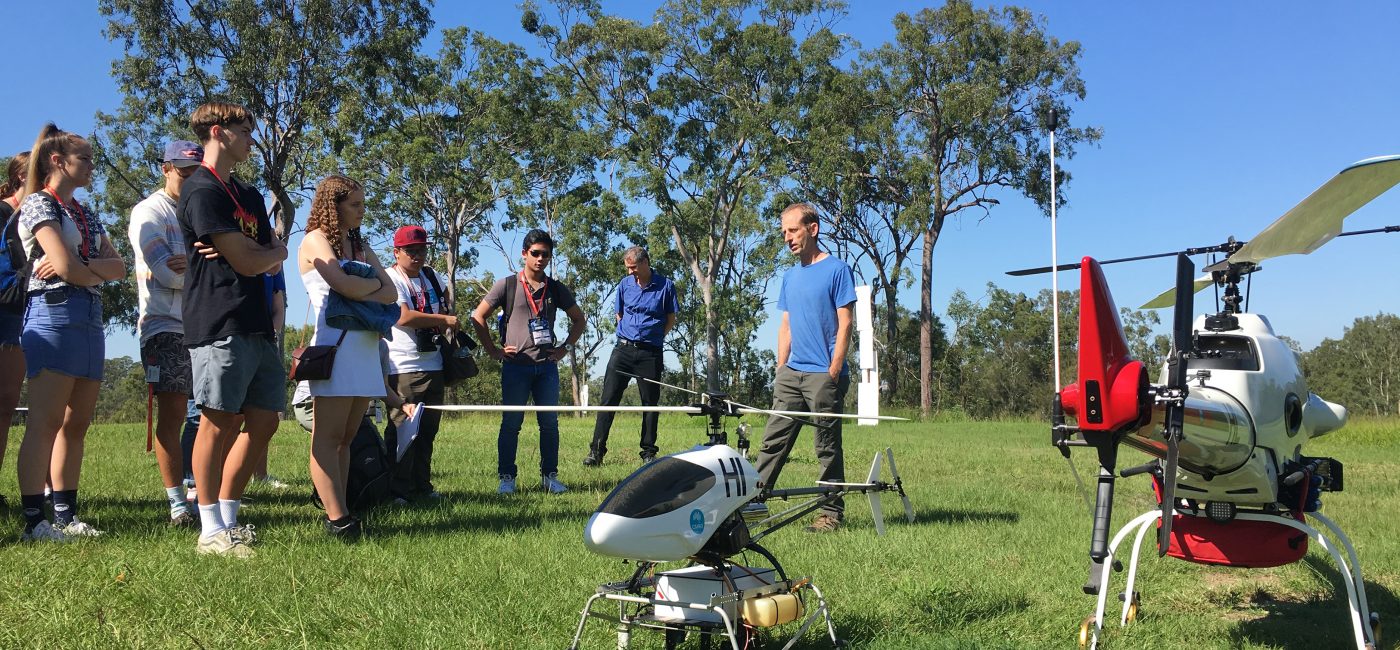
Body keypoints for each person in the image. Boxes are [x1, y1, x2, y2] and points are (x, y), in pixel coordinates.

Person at [178, 102, 287, 558]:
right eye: (245, 131)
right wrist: (256, 252)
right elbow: (251, 258)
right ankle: (209, 530)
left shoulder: (250, 195)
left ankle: (229, 517)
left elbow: (271, 250)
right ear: (219, 132)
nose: (251, 139)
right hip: (219, 320)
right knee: (217, 421)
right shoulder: (202, 190)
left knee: (262, 421)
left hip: (257, 323)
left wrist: (259, 251)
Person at [15, 125, 127, 541]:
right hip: (53, 314)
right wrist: (88, 268)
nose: (93, 167)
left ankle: (66, 515)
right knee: (44, 422)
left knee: (76, 424)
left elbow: (117, 267)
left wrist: (85, 269)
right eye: (86, 160)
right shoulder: (38, 205)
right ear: (58, 161)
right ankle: (33, 520)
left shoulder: (84, 211)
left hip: (90, 316)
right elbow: (65, 267)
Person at [297, 174, 397, 538]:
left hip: (366, 347)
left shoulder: (359, 244)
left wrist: (365, 287)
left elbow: (391, 292)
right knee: (327, 435)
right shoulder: (315, 240)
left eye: (362, 203)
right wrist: (372, 286)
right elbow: (343, 285)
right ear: (332, 205)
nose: (361, 211)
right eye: (354, 204)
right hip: (335, 347)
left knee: (348, 436)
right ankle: (337, 519)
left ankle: (342, 510)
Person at [754, 203, 855, 533]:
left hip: (822, 375)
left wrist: (834, 368)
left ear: (812, 229)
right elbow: (786, 325)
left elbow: (845, 323)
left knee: (826, 446)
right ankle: (752, 504)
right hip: (791, 374)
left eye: (793, 230)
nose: (787, 238)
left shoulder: (838, 270)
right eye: (784, 232)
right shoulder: (789, 276)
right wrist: (781, 367)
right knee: (772, 442)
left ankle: (830, 513)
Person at [470, 229, 585, 495]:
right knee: (511, 424)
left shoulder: (555, 288)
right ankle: (507, 478)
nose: (540, 259)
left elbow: (579, 320)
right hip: (516, 368)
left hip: (546, 368)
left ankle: (549, 476)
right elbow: (478, 317)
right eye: (535, 253)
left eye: (546, 254)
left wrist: (564, 349)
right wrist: (493, 350)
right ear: (524, 254)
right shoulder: (507, 285)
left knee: (549, 424)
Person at [130, 139, 203, 527]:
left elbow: (224, 269)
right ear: (165, 169)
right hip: (164, 326)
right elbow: (168, 273)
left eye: (197, 172)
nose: (191, 179)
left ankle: (203, 495)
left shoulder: (199, 210)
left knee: (211, 412)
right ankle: (177, 504)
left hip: (203, 323)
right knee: (174, 413)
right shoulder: (148, 212)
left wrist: (194, 265)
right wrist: (202, 265)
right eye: (184, 171)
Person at [585, 246, 678, 466]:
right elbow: (619, 313)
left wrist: (653, 338)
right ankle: (596, 451)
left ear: (645, 262)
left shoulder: (666, 286)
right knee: (608, 400)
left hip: (650, 353)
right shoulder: (624, 285)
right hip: (623, 350)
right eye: (628, 268)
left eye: (633, 268)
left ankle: (648, 453)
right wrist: (629, 335)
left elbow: (670, 318)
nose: (630, 273)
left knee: (649, 404)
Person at [382, 224, 455, 503]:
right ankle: (396, 490)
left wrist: (446, 314)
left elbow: (446, 303)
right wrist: (443, 320)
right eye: (410, 250)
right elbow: (403, 317)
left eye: (422, 249)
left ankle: (422, 486)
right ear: (396, 252)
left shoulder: (432, 276)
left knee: (427, 432)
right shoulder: (390, 278)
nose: (417, 255)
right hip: (402, 365)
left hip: (433, 363)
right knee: (403, 430)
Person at [0, 151, 31, 509]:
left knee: (6, 404)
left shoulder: (41, 216)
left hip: (21, 313)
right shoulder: (3, 214)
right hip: (4, 309)